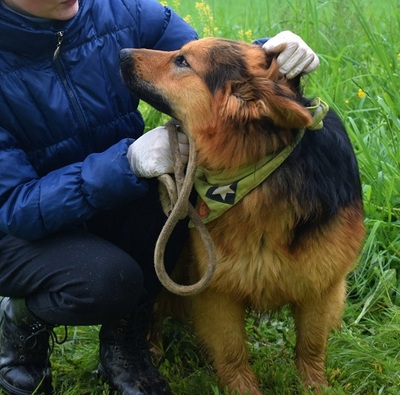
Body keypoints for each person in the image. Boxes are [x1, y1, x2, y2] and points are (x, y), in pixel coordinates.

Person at [0, 0, 319, 394]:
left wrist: (273, 53)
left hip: (102, 193)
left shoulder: (119, 11)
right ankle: (21, 318)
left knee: (174, 200)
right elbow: (14, 208)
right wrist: (124, 164)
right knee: (106, 281)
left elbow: (203, 61)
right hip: (17, 229)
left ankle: (126, 343)